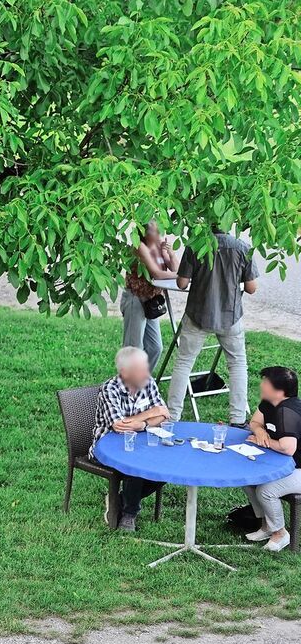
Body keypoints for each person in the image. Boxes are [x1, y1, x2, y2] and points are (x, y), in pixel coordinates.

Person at [166, 229, 259, 425]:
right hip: (230, 314)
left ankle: (172, 416)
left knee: (184, 362)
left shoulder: (195, 245)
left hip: (197, 313)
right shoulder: (242, 247)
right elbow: (251, 288)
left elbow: (182, 283)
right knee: (237, 364)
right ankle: (238, 418)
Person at [91, 346, 171, 531]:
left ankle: (119, 500)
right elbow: (119, 426)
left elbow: (164, 415)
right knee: (135, 464)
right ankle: (129, 514)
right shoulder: (110, 389)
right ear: (124, 372)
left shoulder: (148, 382)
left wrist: (142, 424)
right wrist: (150, 413)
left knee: (167, 466)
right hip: (107, 448)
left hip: (142, 441)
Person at [240, 366, 301, 552]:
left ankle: (280, 534)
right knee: (248, 479)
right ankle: (267, 526)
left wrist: (265, 443)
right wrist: (260, 432)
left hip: (298, 469)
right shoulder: (269, 402)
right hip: (285, 465)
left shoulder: (287, 411)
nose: (261, 385)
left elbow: (288, 447)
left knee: (266, 490)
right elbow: (254, 422)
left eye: (266, 382)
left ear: (279, 391)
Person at [120, 221, 176, 372]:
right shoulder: (140, 247)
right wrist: (181, 276)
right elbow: (157, 274)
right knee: (134, 348)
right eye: (154, 231)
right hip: (136, 299)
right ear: (144, 233)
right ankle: (127, 382)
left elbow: (174, 268)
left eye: (159, 230)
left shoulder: (158, 248)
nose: (159, 234)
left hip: (150, 301)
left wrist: (170, 254)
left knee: (155, 347)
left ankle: (141, 379)